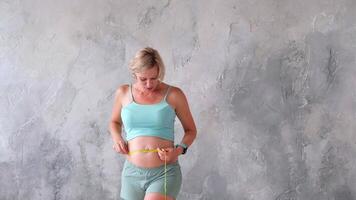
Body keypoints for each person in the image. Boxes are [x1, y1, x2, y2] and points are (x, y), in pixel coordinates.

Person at [109, 47, 197, 200]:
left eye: (154, 78)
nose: (149, 84)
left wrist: (178, 150)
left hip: (164, 172)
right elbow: (114, 122)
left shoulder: (174, 95)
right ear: (135, 73)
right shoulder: (123, 93)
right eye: (143, 79)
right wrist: (117, 138)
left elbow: (191, 130)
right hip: (131, 173)